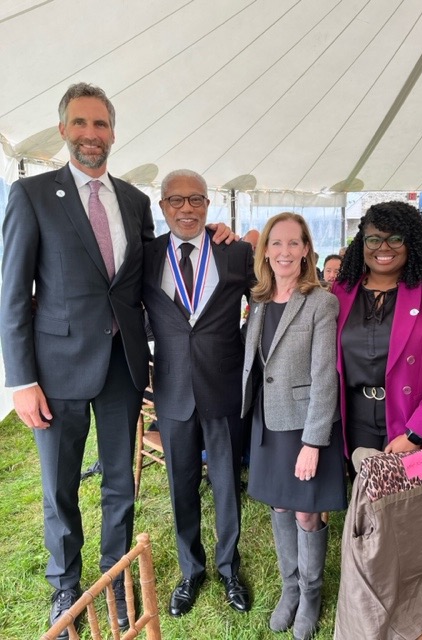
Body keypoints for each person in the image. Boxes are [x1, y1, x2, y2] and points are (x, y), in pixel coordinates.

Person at [0, 84, 230, 638]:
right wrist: (21, 379)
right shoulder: (31, 195)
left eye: (100, 125)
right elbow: (11, 293)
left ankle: (117, 577)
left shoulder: (133, 200)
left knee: (119, 487)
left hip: (124, 369)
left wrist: (217, 238)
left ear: (112, 132)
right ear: (64, 130)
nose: (90, 135)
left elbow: (155, 269)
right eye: (80, 124)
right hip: (55, 374)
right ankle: (65, 585)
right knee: (59, 486)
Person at [142, 169, 255, 618]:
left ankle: (229, 568)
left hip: (223, 385)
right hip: (171, 391)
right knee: (180, 486)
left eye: (195, 200)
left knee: (227, 484)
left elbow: (267, 302)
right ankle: (192, 570)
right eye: (176, 200)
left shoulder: (235, 252)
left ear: (208, 204)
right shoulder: (146, 255)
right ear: (162, 206)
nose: (186, 209)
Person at [242, 212, 347, 640]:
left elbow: (326, 376)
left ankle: (311, 593)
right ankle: (289, 588)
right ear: (265, 250)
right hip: (268, 421)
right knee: (280, 505)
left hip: (305, 425)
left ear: (306, 250)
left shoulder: (321, 301)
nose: (284, 251)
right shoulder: (261, 300)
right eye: (277, 243)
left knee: (306, 511)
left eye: (293, 243)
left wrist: (313, 442)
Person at [332, 201, 422, 479]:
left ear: (412, 242)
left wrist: (416, 433)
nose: (383, 248)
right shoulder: (343, 290)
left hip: (414, 420)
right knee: (369, 504)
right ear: (362, 242)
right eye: (374, 239)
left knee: (415, 510)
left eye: (395, 238)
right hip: (356, 419)